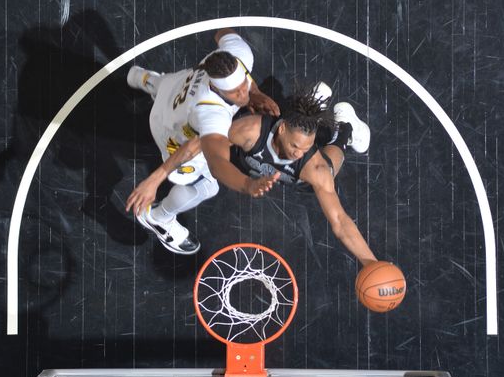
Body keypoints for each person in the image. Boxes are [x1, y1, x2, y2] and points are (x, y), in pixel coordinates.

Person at [127, 84, 377, 265]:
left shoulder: (312, 166)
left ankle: (345, 127)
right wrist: (155, 179)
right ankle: (314, 102)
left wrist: (370, 262)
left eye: (305, 148)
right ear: (281, 130)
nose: (299, 153)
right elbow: (196, 144)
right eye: (294, 146)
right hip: (245, 162)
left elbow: (340, 221)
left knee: (324, 175)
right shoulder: (249, 131)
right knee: (209, 179)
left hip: (296, 174)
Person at [126, 29, 281, 255]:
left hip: (174, 87)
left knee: (165, 84)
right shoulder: (210, 114)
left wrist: (254, 91)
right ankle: (159, 217)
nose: (242, 95)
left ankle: (143, 78)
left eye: (243, 86)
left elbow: (222, 33)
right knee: (206, 186)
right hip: (169, 131)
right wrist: (154, 180)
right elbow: (204, 155)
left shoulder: (236, 55)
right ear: (216, 88)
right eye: (235, 93)